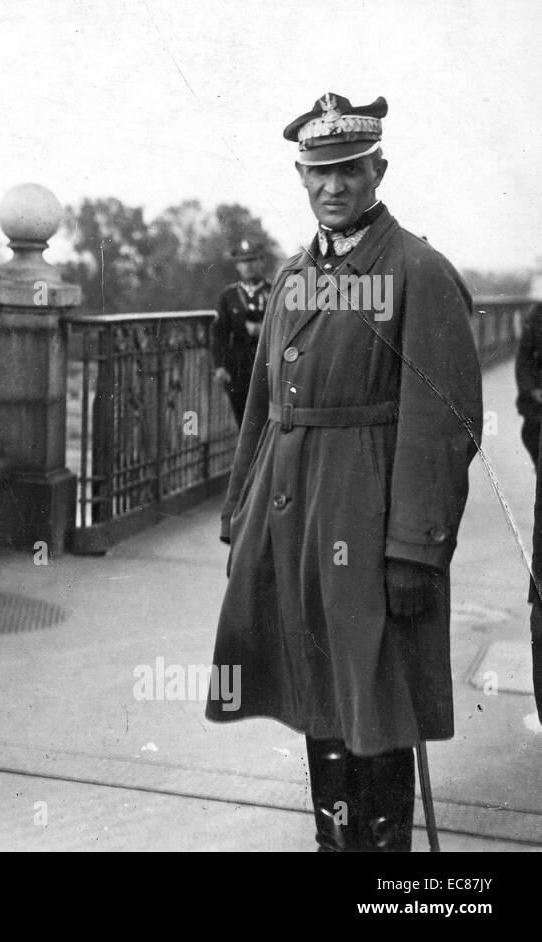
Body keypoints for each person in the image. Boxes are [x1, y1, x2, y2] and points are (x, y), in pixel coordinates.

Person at [206, 93, 482, 851]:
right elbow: (263, 413)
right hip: (293, 526)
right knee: (316, 696)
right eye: (319, 172)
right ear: (301, 176)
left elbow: (444, 426)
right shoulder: (296, 276)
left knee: (376, 704)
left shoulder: (417, 270)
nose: (334, 186)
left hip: (371, 526)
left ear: (378, 169)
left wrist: (418, 548)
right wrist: (242, 521)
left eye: (351, 170)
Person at [211, 240, 270, 425]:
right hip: (238, 368)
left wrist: (262, 330)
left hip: (268, 366)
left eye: (253, 260)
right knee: (242, 420)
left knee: (268, 421)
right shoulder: (229, 296)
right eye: (244, 261)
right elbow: (220, 333)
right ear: (237, 265)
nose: (249, 266)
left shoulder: (274, 291)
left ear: (261, 261)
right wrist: (220, 366)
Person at [514, 302, 542, 466]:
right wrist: (531, 390)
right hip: (538, 395)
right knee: (531, 434)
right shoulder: (537, 315)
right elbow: (524, 358)